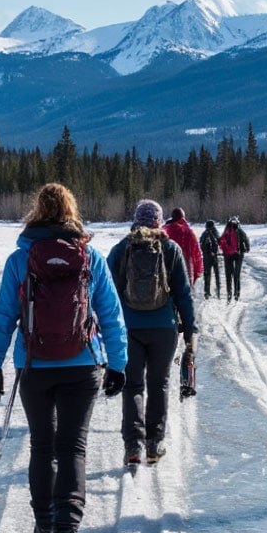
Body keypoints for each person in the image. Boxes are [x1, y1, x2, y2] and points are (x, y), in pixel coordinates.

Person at [0, 184, 127, 533]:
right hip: (82, 366)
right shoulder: (89, 256)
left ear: (36, 213)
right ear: (71, 211)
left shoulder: (21, 259)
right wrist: (118, 363)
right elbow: (111, 314)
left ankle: (44, 529)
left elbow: (4, 316)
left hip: (34, 366)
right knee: (73, 448)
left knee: (43, 447)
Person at [108, 199, 196, 467]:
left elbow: (107, 294)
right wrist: (190, 331)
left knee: (133, 385)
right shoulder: (170, 249)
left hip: (129, 328)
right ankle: (154, 443)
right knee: (159, 383)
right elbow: (184, 294)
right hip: (164, 328)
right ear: (158, 221)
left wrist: (106, 328)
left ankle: (133, 446)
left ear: (136, 219)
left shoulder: (122, 248)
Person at [162, 207, 203, 289]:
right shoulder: (188, 231)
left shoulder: (164, 231)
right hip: (186, 272)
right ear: (183, 217)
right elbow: (197, 254)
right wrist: (196, 274)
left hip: (167, 273)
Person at [219, 216, 250, 302]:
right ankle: (237, 293)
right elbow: (246, 239)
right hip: (238, 254)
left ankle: (229, 293)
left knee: (228, 274)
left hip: (227, 255)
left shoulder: (226, 230)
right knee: (237, 274)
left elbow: (220, 240)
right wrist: (247, 248)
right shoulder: (239, 230)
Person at [199, 219, 221, 298]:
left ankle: (207, 292)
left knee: (207, 274)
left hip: (206, 257)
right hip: (214, 256)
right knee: (217, 274)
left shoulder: (204, 233)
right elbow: (220, 241)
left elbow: (201, 243)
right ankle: (218, 290)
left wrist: (205, 252)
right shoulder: (215, 232)